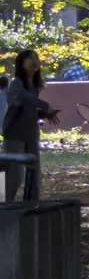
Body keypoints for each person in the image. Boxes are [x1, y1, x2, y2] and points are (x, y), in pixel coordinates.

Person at [2, 48, 53, 203]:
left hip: (31, 135)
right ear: (22, 63)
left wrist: (42, 114)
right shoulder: (17, 83)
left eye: (36, 57)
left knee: (35, 177)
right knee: (15, 176)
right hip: (14, 135)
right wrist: (44, 105)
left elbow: (27, 109)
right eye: (29, 58)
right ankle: (3, 207)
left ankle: (31, 210)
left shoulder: (35, 86)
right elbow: (20, 100)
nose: (34, 61)